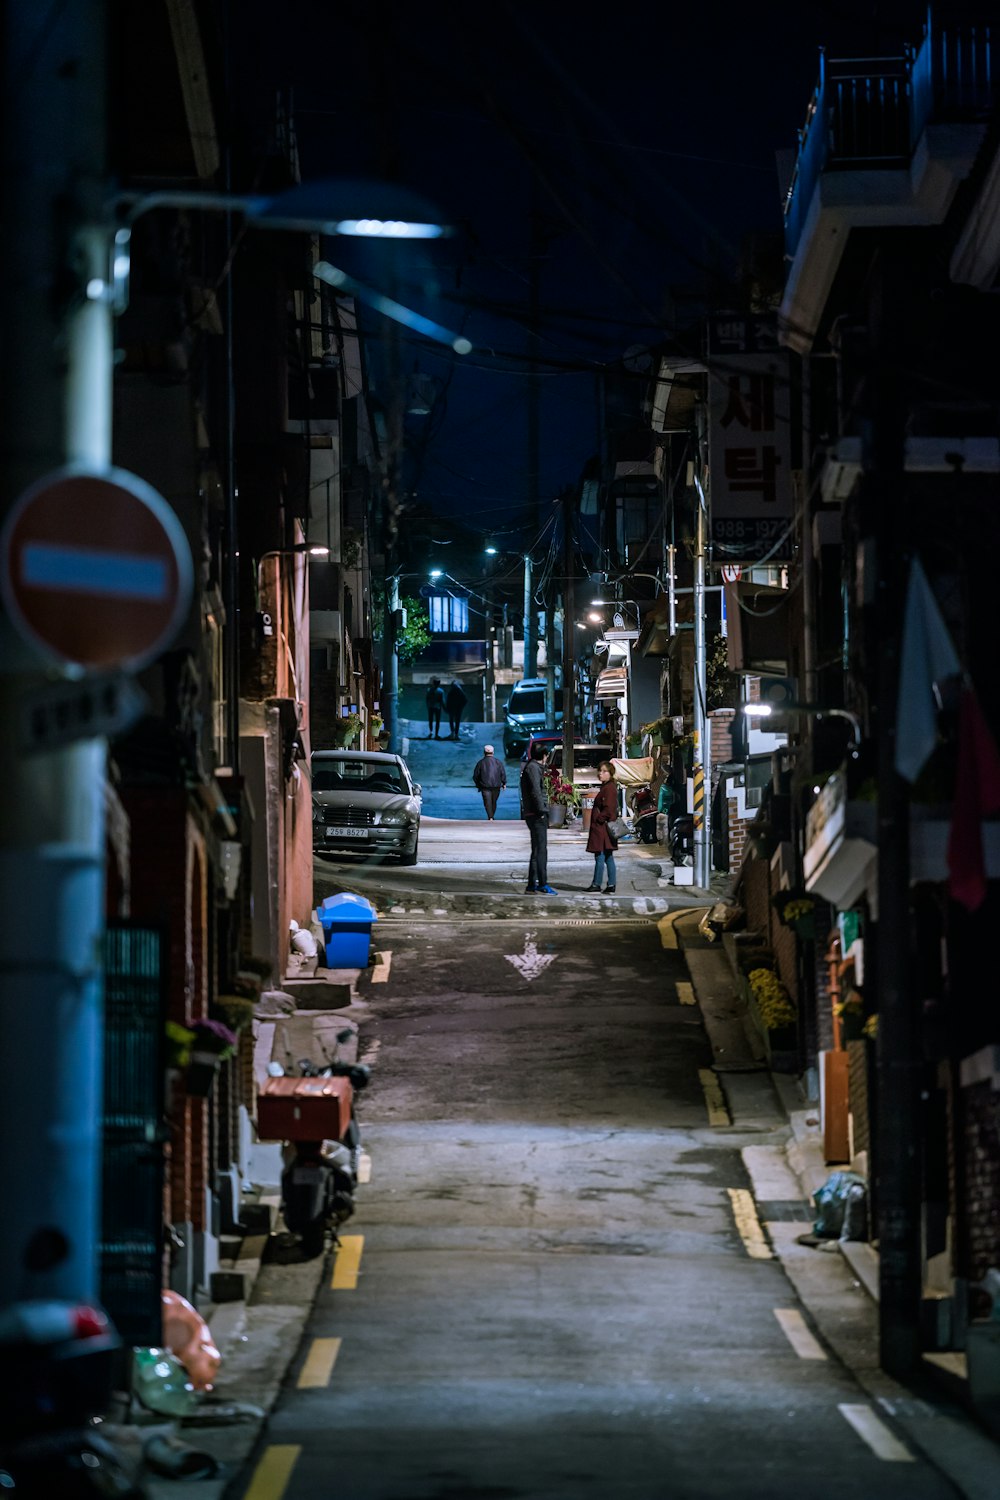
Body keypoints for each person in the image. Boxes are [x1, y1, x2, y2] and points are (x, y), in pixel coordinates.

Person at [519, 741, 557, 894]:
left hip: (532, 813)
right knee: (541, 850)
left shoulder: (532, 767)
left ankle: (532, 885)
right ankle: (542, 883)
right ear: (544, 755)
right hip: (536, 814)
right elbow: (535, 791)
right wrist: (542, 810)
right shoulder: (534, 768)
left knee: (536, 850)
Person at [586, 761, 619, 893]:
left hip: (603, 828)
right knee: (608, 856)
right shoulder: (607, 787)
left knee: (600, 856)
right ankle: (611, 884)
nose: (600, 773)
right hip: (604, 827)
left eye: (604, 771)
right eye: (600, 770)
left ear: (610, 774)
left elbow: (609, 809)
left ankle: (597, 883)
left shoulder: (609, 788)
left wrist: (599, 819)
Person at [473, 743, 507, 820]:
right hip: (496, 785)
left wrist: (478, 785)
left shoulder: (480, 763)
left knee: (487, 802)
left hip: (485, 786)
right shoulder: (498, 762)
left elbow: (475, 776)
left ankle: (490, 816)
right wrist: (504, 783)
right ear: (493, 752)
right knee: (493, 801)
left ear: (484, 752)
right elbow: (502, 773)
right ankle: (491, 816)